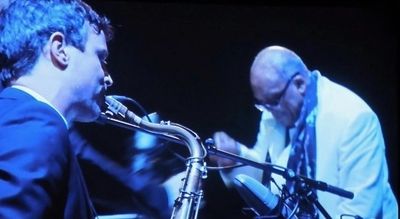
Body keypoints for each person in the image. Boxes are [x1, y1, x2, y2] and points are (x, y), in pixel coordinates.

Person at [211, 45, 398, 218]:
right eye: (262, 104)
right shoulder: (274, 111)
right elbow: (268, 178)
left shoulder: (354, 118)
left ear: (299, 84)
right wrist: (235, 158)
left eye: (274, 101)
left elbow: (360, 210)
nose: (268, 111)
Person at [0, 0, 113, 218]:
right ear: (59, 50)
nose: (108, 77)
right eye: (101, 58)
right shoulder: (35, 121)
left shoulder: (19, 114)